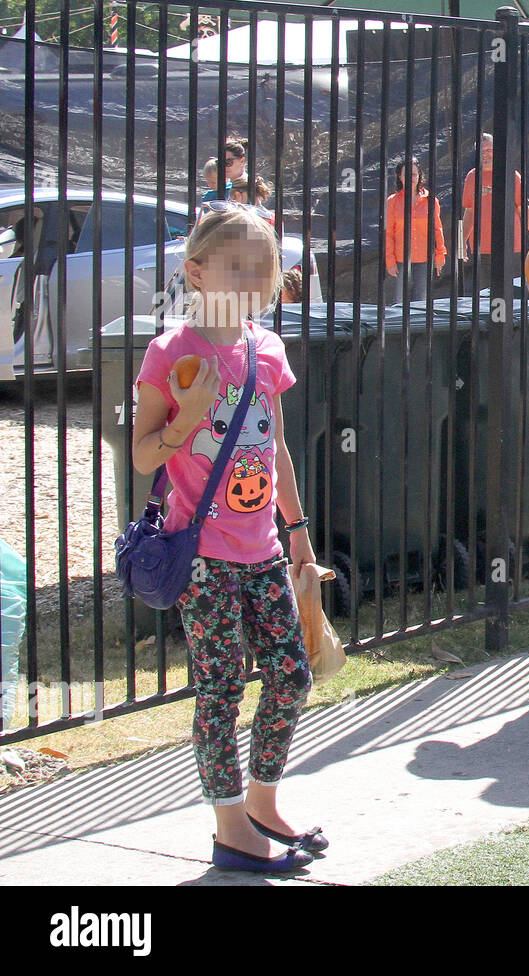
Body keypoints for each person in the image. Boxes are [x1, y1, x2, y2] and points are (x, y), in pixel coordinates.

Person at [130, 207, 323, 873]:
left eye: (262, 270)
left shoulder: (266, 349)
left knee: (292, 673)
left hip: (263, 546)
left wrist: (297, 533)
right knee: (219, 688)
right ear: (195, 272)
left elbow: (276, 446)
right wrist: (184, 419)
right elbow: (144, 456)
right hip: (204, 553)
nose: (250, 279)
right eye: (235, 266)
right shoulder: (171, 352)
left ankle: (263, 801)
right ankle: (230, 826)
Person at [462, 132, 529, 287]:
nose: (486, 154)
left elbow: (523, 209)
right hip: (481, 247)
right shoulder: (472, 177)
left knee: (512, 292)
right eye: (482, 151)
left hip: (510, 245)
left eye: (489, 150)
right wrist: (461, 241)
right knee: (484, 295)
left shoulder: (511, 175)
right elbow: (469, 212)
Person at [385, 156, 446, 303]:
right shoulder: (392, 201)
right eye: (407, 174)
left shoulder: (431, 200)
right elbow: (388, 234)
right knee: (398, 301)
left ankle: (417, 327)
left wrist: (440, 255)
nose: (411, 178)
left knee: (420, 302)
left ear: (419, 176)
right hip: (400, 259)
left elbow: (438, 230)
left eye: (414, 174)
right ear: (399, 176)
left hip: (424, 259)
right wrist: (390, 260)